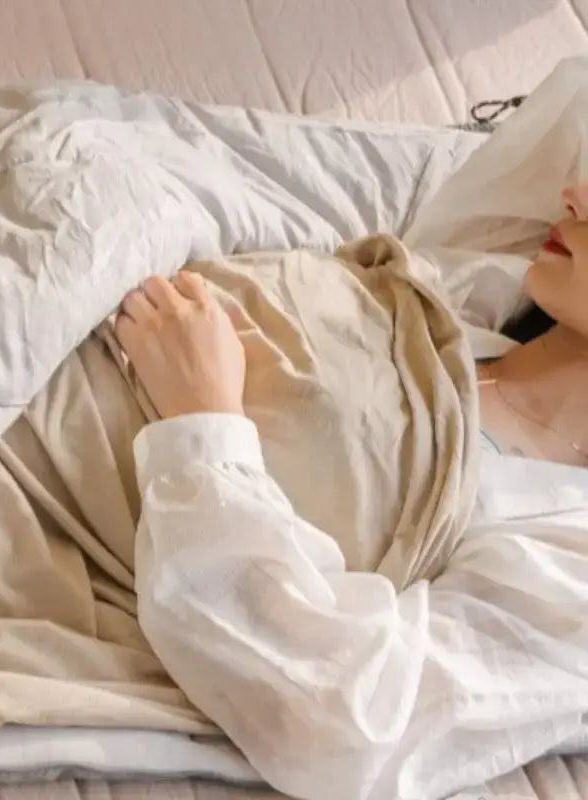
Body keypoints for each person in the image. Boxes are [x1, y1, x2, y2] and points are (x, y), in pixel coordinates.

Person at [112, 183, 588, 800]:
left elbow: (349, 717)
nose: (575, 195)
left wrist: (202, 420)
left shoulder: (569, 548)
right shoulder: (452, 306)